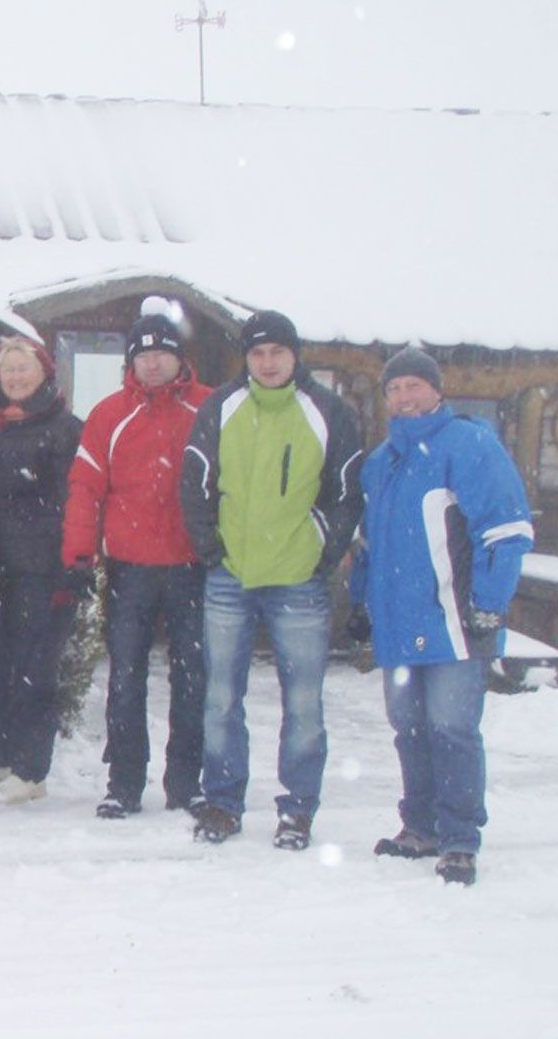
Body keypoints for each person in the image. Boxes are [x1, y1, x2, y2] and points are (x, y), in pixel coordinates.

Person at [180, 310, 364, 850]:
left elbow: (347, 492)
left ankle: (298, 809)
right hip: (230, 577)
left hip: (299, 581)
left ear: (294, 355)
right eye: (257, 353)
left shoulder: (328, 411)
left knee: (303, 701)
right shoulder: (221, 407)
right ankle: (222, 801)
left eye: (276, 353)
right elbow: (195, 482)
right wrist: (212, 549)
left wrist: (320, 550)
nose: (267, 362)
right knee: (220, 697)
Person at [348, 347, 532, 887]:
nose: (404, 396)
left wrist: (489, 605)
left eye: (413, 386)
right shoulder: (381, 462)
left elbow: (505, 532)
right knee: (408, 728)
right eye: (394, 389)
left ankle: (458, 838)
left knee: (451, 727)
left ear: (437, 390)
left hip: (455, 620)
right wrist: (360, 603)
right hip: (400, 626)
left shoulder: (469, 445)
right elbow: (368, 545)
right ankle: (420, 827)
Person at [61, 299, 213, 819]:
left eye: (162, 354)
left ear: (178, 358)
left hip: (193, 565)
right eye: (142, 355)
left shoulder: (209, 409)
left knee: (193, 676)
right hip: (130, 567)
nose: (152, 364)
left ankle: (186, 781)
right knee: (125, 677)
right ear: (130, 362)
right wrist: (80, 552)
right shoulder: (109, 414)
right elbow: (85, 485)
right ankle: (124, 783)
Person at [0, 337, 82, 805]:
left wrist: (73, 564)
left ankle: (30, 771)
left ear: (44, 374)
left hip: (41, 571)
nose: (16, 377)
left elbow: (78, 503)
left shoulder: (66, 430)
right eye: (8, 369)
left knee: (33, 671)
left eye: (25, 368)